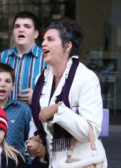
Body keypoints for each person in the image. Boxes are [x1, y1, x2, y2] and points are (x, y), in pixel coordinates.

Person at [27, 18, 107, 167]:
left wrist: (59, 110)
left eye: (50, 39)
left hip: (86, 164)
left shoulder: (86, 78)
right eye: (43, 39)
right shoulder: (41, 79)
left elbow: (91, 131)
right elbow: (38, 118)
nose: (43, 43)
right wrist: (37, 140)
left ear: (67, 46)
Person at [0, 11, 47, 105]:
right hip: (5, 117)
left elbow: (58, 93)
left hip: (34, 117)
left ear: (36, 34)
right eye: (17, 26)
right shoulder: (2, 57)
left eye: (27, 26)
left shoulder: (46, 57)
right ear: (13, 32)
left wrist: (37, 98)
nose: (21, 30)